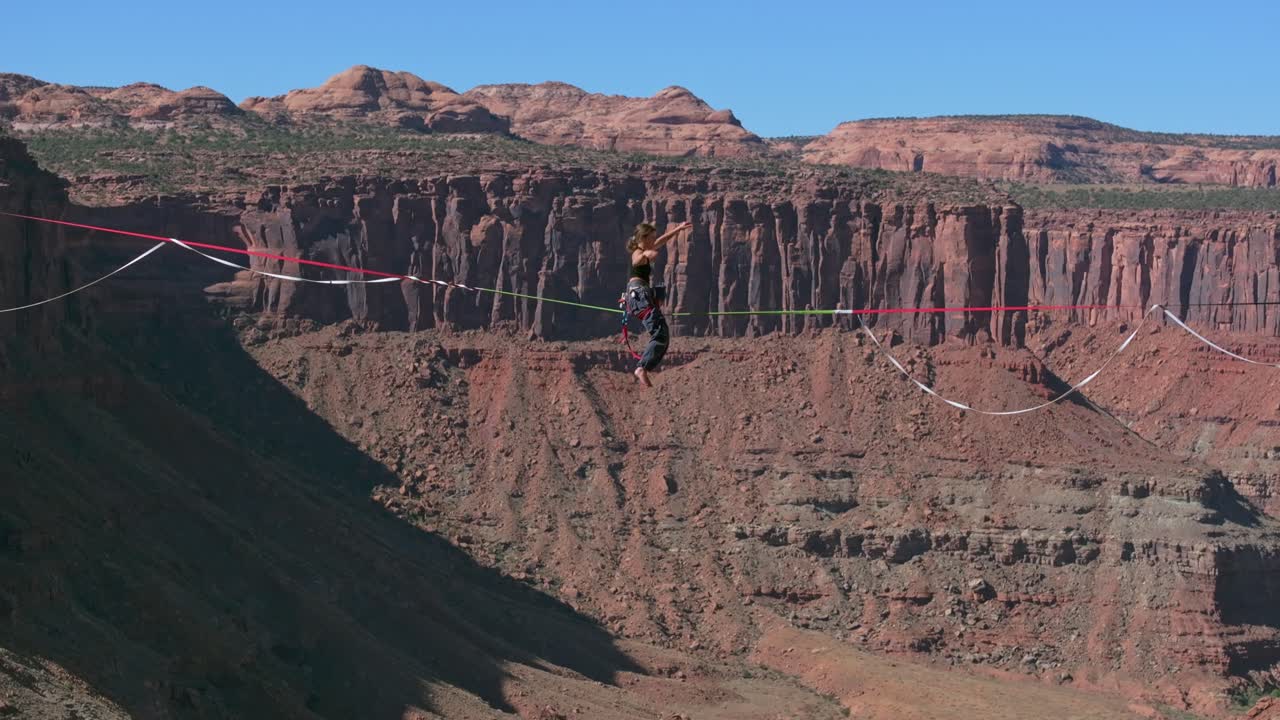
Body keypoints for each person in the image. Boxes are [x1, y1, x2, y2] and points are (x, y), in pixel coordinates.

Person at [624, 220, 692, 386]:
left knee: (663, 335)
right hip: (638, 294)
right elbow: (637, 260)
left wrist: (678, 229)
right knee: (660, 333)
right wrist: (647, 255)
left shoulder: (644, 247)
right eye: (651, 238)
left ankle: (644, 367)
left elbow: (662, 240)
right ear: (644, 237)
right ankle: (642, 368)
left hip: (642, 294)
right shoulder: (638, 252)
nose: (654, 241)